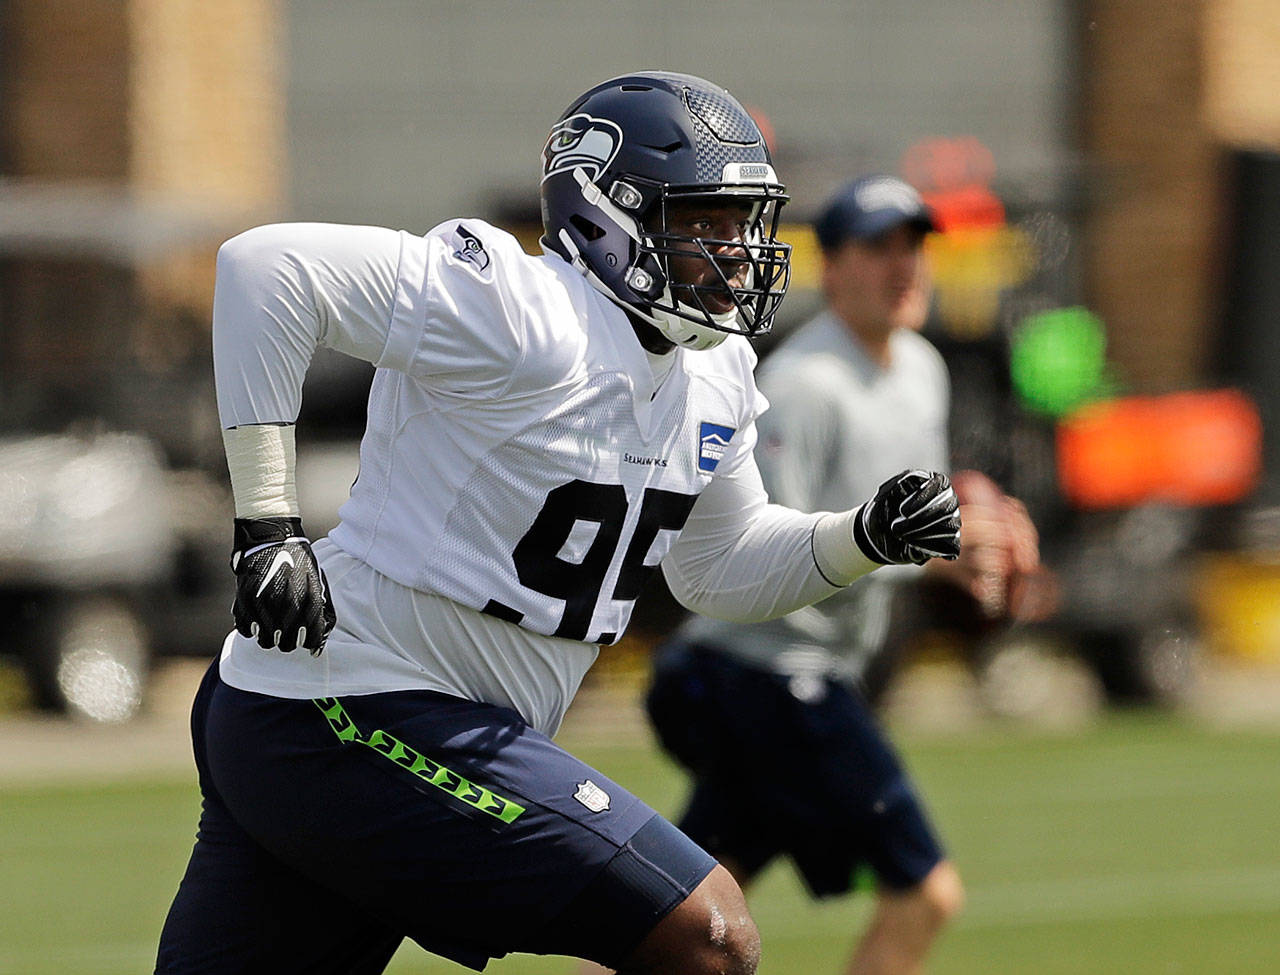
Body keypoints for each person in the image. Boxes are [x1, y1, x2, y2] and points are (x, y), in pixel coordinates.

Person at [154, 75, 962, 975]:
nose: (737, 252)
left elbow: (716, 566)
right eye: (705, 220)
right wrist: (268, 527)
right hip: (351, 701)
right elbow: (267, 267)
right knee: (711, 934)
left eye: (746, 223)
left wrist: (861, 537)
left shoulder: (716, 369)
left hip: (320, 721)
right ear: (605, 214)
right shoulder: (525, 311)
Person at [644, 174, 1040, 975]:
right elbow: (767, 552)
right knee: (927, 892)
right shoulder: (802, 387)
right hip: (764, 674)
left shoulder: (922, 367)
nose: (905, 267)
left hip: (808, 676)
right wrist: (933, 566)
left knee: (683, 917)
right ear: (835, 269)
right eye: (879, 247)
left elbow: (917, 523)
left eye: (915, 246)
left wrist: (981, 537)